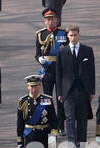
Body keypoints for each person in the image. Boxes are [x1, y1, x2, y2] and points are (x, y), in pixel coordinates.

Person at [56, 24, 95, 148]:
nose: (73, 37)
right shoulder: (62, 52)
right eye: (71, 35)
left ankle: (81, 145)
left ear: (79, 35)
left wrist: (91, 90)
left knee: (82, 119)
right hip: (68, 91)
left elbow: (91, 71)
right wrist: (60, 93)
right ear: (67, 36)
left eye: (75, 35)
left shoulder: (87, 50)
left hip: (83, 90)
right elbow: (59, 74)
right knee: (70, 119)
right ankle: (72, 145)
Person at [36, 8, 67, 136]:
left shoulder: (63, 33)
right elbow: (37, 53)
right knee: (47, 99)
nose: (50, 21)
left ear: (56, 20)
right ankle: (50, 123)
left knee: (60, 99)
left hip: (60, 70)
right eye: (47, 19)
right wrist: (40, 59)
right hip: (47, 71)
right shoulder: (40, 34)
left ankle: (61, 125)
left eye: (52, 19)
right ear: (44, 21)